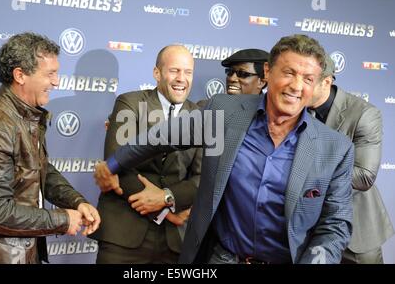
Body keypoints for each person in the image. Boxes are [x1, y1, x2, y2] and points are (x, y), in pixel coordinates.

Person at [95, 34, 354, 264]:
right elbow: (163, 137)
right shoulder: (226, 113)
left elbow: (335, 226)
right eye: (288, 73)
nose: (297, 86)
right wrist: (113, 164)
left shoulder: (336, 149)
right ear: (268, 72)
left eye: (308, 79)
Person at [0, 32, 100, 264]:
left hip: (19, 249)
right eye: (50, 74)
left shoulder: (25, 115)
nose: (56, 82)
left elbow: (39, 170)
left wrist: (76, 201)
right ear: (20, 75)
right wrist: (62, 219)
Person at [89, 45, 202, 264]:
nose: (181, 78)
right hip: (123, 233)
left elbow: (201, 178)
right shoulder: (129, 103)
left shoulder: (199, 116)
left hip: (174, 241)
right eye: (174, 71)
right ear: (157, 73)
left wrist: (167, 197)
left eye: (187, 72)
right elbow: (116, 163)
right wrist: (165, 210)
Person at [309, 55, 394, 264]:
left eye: (307, 80)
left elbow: (364, 177)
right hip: (310, 229)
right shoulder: (296, 109)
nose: (297, 87)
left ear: (326, 81)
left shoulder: (364, 114)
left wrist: (306, 172)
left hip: (356, 231)